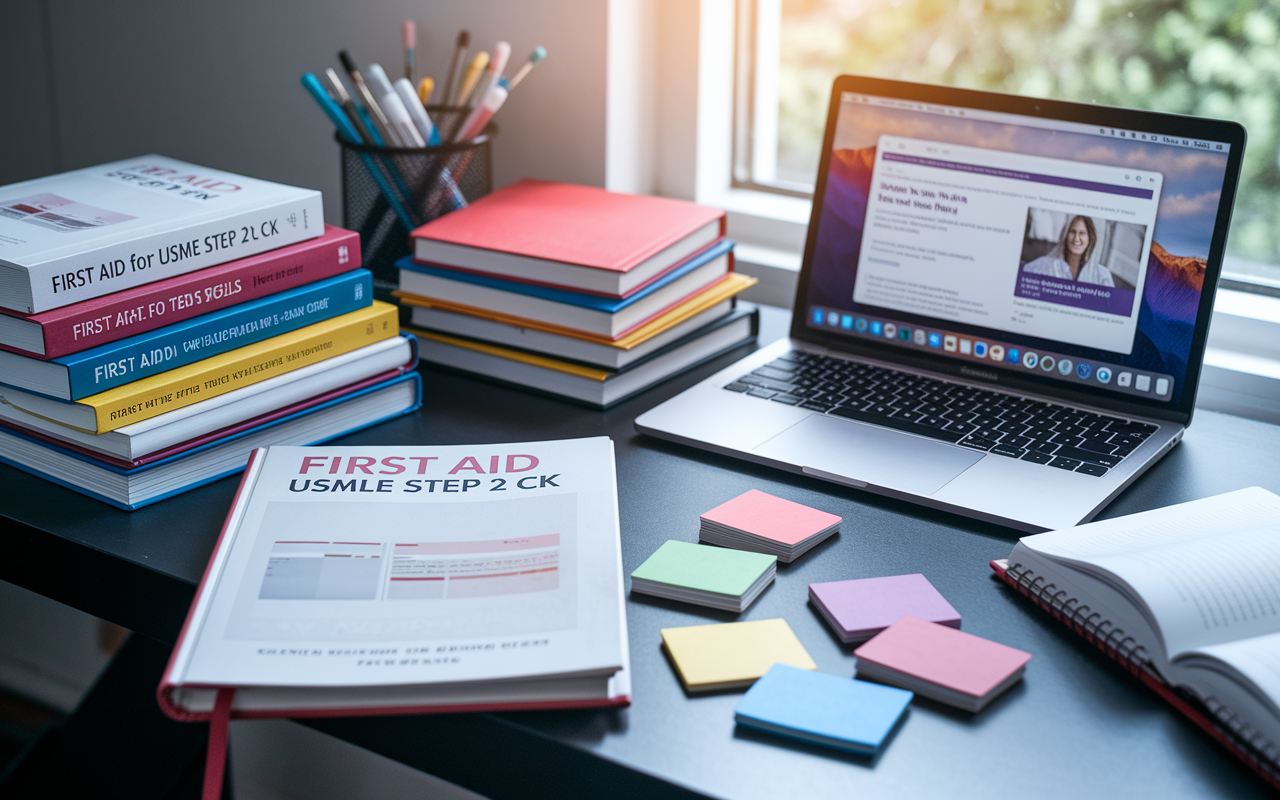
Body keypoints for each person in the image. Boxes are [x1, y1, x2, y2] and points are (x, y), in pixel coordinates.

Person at [1022, 215, 1115, 286]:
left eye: (1082, 233)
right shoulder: (1043, 265)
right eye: (1072, 232)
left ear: (1091, 239)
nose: (1076, 239)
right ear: (1065, 235)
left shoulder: (1102, 275)